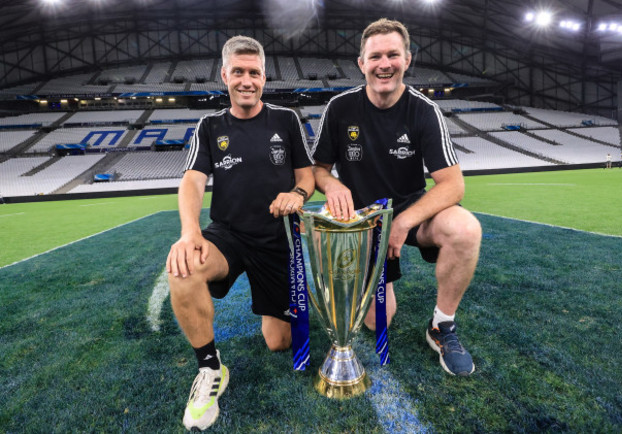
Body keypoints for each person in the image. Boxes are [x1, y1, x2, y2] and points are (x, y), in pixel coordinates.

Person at [312, 18, 482, 377]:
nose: (384, 64)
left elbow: (453, 186)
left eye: (392, 55)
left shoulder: (424, 111)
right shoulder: (340, 108)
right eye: (375, 56)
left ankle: (442, 326)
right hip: (358, 217)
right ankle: (376, 278)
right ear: (362, 64)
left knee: (465, 229)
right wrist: (332, 185)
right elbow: (318, 169)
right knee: (378, 321)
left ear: (407, 59)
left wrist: (402, 222)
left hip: (409, 210)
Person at [166, 35, 314, 431]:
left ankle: (291, 302)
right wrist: (189, 231)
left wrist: (297, 193)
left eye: (254, 72)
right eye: (238, 72)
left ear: (264, 76)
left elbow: (306, 177)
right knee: (183, 267)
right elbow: (193, 180)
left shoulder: (286, 120)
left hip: (276, 241)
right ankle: (211, 369)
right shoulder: (211, 125)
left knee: (278, 343)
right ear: (224, 76)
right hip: (227, 235)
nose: (246, 80)